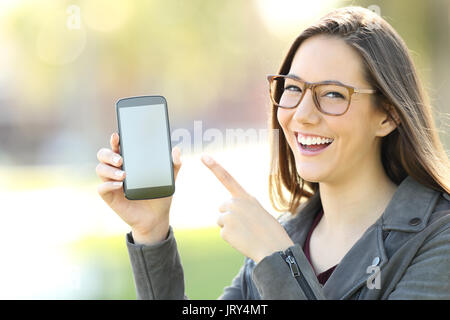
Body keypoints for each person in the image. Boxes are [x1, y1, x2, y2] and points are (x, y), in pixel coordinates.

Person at [95, 6, 450, 299]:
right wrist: (152, 232)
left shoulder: (438, 237)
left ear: (387, 115)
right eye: (292, 89)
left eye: (332, 94)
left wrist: (278, 261)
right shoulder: (287, 234)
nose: (302, 115)